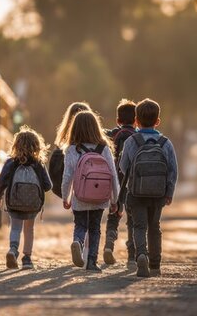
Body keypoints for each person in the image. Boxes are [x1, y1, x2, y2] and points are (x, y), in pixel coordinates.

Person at [118, 99, 178, 277]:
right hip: (158, 193)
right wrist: (169, 192)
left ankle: (141, 255)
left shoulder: (131, 141)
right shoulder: (165, 143)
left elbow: (123, 166)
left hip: (136, 192)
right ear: (158, 121)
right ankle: (155, 265)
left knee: (139, 226)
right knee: (154, 227)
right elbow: (173, 170)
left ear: (136, 120)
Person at [61, 111, 120, 272]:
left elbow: (67, 176)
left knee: (80, 224)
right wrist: (115, 199)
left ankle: (78, 243)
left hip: (79, 196)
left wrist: (65, 197)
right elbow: (113, 175)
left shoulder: (72, 150)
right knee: (95, 228)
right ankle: (92, 262)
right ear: (96, 128)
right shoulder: (104, 149)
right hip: (100, 196)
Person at [0, 127, 52, 270]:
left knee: (15, 227)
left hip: (14, 202)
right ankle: (27, 258)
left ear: (16, 144)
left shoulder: (10, 162)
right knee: (29, 229)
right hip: (33, 204)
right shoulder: (38, 164)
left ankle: (13, 250)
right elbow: (48, 185)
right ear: (37, 146)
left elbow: (1, 181)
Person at [102, 99, 137, 266]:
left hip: (114, 180)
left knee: (113, 215)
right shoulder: (138, 137)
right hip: (132, 183)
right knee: (132, 218)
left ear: (118, 120)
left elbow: (100, 133)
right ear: (136, 120)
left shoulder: (113, 134)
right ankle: (132, 256)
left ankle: (109, 244)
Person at [49, 102, 92, 197]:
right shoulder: (99, 147)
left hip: (72, 195)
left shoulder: (61, 149)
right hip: (93, 190)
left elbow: (55, 181)